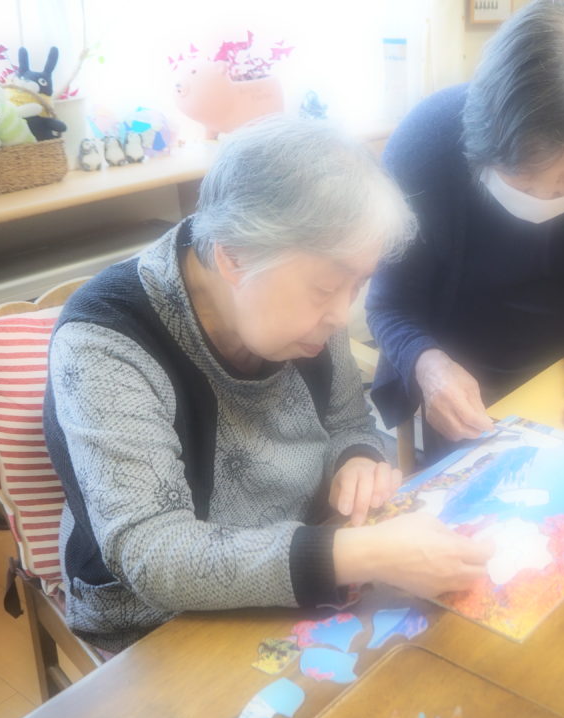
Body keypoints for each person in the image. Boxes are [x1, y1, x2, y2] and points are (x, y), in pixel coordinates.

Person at [44, 116, 493, 652]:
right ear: (234, 257)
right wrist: (364, 554)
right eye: (326, 287)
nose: (341, 315)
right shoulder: (105, 340)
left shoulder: (301, 299)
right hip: (161, 621)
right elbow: (152, 554)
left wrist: (357, 457)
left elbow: (349, 421)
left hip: (310, 557)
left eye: (357, 285)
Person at [366, 0, 564, 462]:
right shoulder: (425, 143)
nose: (543, 197)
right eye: (522, 177)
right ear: (485, 139)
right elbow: (388, 304)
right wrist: (427, 366)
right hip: (456, 376)